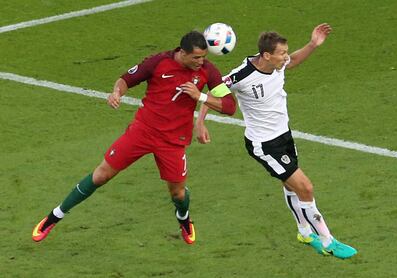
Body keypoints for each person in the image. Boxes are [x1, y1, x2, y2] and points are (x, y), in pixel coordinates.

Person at [32, 30, 236, 245]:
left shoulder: (207, 71)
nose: (201, 61)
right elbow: (126, 79)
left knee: (178, 194)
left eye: (204, 57)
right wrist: (117, 93)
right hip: (143, 131)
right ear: (182, 52)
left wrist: (201, 96)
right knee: (101, 175)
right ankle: (55, 216)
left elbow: (230, 106)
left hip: (173, 141)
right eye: (196, 57)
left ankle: (184, 219)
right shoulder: (158, 62)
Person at [196, 24, 357, 258]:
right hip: (264, 144)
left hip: (284, 135)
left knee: (290, 185)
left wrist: (312, 45)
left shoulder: (278, 64)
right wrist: (200, 122)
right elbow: (213, 93)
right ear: (266, 55)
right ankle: (328, 240)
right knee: (306, 187)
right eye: (282, 53)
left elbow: (292, 62)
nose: (286, 57)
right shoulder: (241, 75)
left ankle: (304, 232)